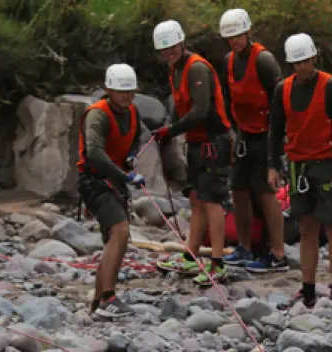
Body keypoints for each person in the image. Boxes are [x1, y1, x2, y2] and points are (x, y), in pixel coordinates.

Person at [268, 32, 332, 308]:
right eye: (296, 63)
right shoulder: (283, 90)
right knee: (306, 227)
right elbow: (275, 131)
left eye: (305, 61)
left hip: (326, 164)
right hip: (298, 166)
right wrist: (273, 165)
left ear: (314, 58)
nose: (301, 67)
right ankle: (307, 289)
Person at [150, 19, 234, 287]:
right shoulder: (175, 70)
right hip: (197, 143)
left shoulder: (196, 68)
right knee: (197, 199)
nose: (169, 52)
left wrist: (171, 131)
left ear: (182, 42)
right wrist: (168, 129)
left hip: (214, 142)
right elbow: (179, 107)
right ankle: (191, 256)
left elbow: (200, 112)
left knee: (212, 201)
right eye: (164, 49)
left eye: (172, 47)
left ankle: (218, 263)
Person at [217, 8, 289, 273]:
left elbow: (281, 100)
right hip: (244, 134)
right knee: (238, 190)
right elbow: (228, 98)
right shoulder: (229, 61)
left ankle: (278, 254)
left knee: (266, 193)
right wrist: (231, 131)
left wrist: (277, 146)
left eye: (238, 36)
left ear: (247, 32)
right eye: (230, 38)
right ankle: (244, 247)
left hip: (266, 135)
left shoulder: (264, 61)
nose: (234, 41)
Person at [75, 63, 145, 320]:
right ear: (109, 90)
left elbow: (135, 139)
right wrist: (124, 176)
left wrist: (131, 157)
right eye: (121, 91)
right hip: (94, 182)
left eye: (130, 92)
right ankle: (108, 298)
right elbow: (94, 153)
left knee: (114, 240)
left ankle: (97, 303)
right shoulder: (98, 115)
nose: (126, 96)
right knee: (121, 230)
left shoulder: (132, 112)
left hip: (115, 182)